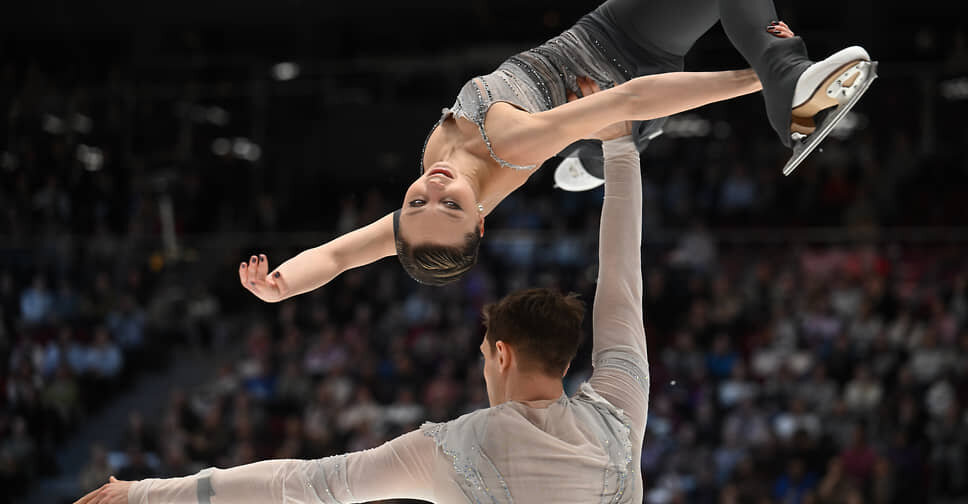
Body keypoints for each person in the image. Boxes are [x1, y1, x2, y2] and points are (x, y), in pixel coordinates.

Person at [66, 123, 653, 504]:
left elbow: (294, 486)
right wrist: (621, 149)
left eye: (480, 355)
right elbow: (622, 286)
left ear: (499, 353)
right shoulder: (616, 422)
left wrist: (146, 495)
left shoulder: (455, 449)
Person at [240, 3, 875, 292]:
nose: (432, 186)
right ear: (482, 223)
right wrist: (757, 78)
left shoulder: (428, 220)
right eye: (451, 204)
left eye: (415, 200)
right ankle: (789, 87)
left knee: (598, 139)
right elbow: (629, 100)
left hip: (599, 33)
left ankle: (589, 164)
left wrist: (281, 284)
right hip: (629, 65)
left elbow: (342, 255)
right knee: (618, 121)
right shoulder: (510, 139)